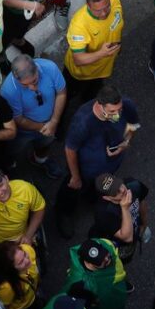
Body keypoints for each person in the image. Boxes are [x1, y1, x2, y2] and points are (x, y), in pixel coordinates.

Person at [57, 86, 140, 237]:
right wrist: (75, 177)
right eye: (112, 112)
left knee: (97, 190)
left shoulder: (127, 105)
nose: (117, 115)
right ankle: (64, 213)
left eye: (119, 110)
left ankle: (92, 197)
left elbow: (133, 125)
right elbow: (70, 149)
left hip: (110, 166)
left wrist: (126, 142)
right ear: (100, 105)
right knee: (71, 190)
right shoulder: (83, 121)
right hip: (84, 169)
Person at [0, 55, 67, 178]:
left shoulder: (50, 68)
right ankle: (10, 167)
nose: (32, 88)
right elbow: (18, 119)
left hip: (50, 121)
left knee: (44, 145)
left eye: (34, 81)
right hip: (23, 131)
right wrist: (44, 127)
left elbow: (61, 93)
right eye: (25, 85)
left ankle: (40, 160)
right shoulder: (8, 91)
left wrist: (54, 121)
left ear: (36, 68)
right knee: (13, 150)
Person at [64, 0, 124, 106]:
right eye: (97, 10)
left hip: (102, 70)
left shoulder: (115, 0)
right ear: (88, 5)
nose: (103, 14)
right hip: (81, 75)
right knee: (66, 97)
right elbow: (78, 59)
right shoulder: (79, 25)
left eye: (107, 7)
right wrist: (102, 53)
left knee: (91, 95)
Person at [64, 238, 128, 309]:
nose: (106, 259)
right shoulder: (81, 285)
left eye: (104, 254)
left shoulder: (105, 246)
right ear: (89, 263)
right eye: (99, 261)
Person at [90, 174, 149, 263]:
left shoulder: (133, 184)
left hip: (134, 231)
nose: (123, 190)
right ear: (106, 197)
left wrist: (144, 224)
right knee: (119, 261)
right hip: (117, 244)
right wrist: (125, 208)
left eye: (119, 184)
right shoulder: (103, 213)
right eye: (115, 192)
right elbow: (127, 237)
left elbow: (141, 202)